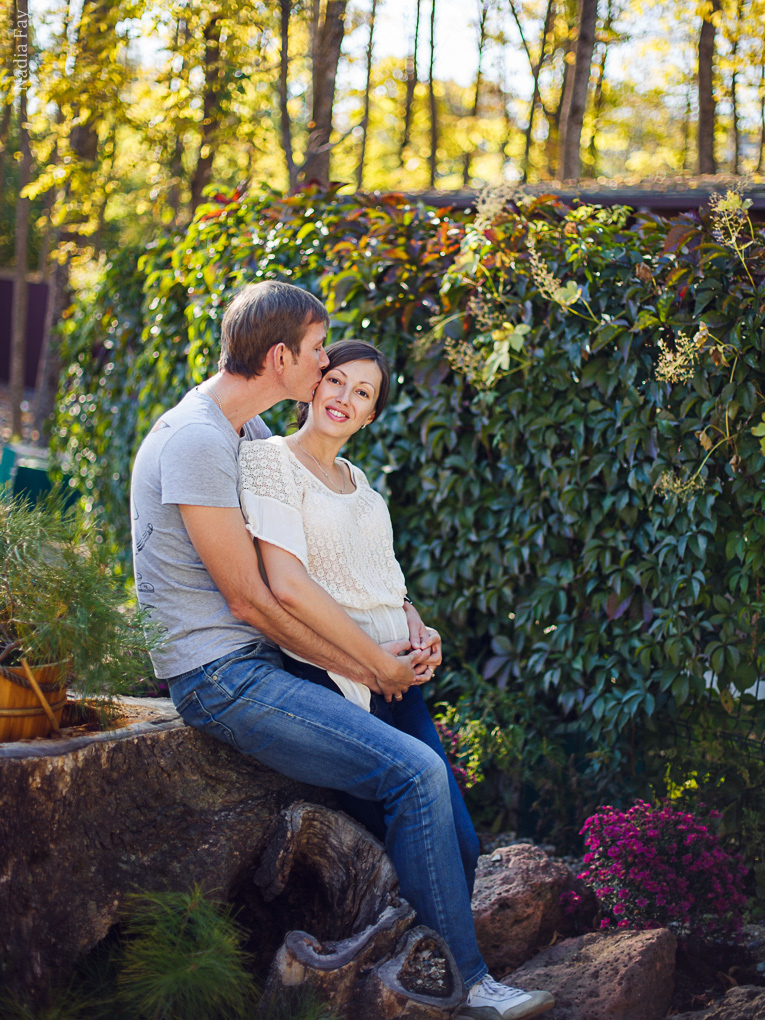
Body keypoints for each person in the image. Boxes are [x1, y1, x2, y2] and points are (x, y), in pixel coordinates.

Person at [130, 281, 554, 1020]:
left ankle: (423, 968)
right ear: (280, 357)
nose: (326, 362)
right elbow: (253, 599)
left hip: (268, 662)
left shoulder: (248, 434)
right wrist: (370, 666)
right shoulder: (197, 438)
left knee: (436, 804)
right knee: (415, 773)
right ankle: (469, 988)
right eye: (319, 348)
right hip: (221, 675)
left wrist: (400, 630)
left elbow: (323, 561)